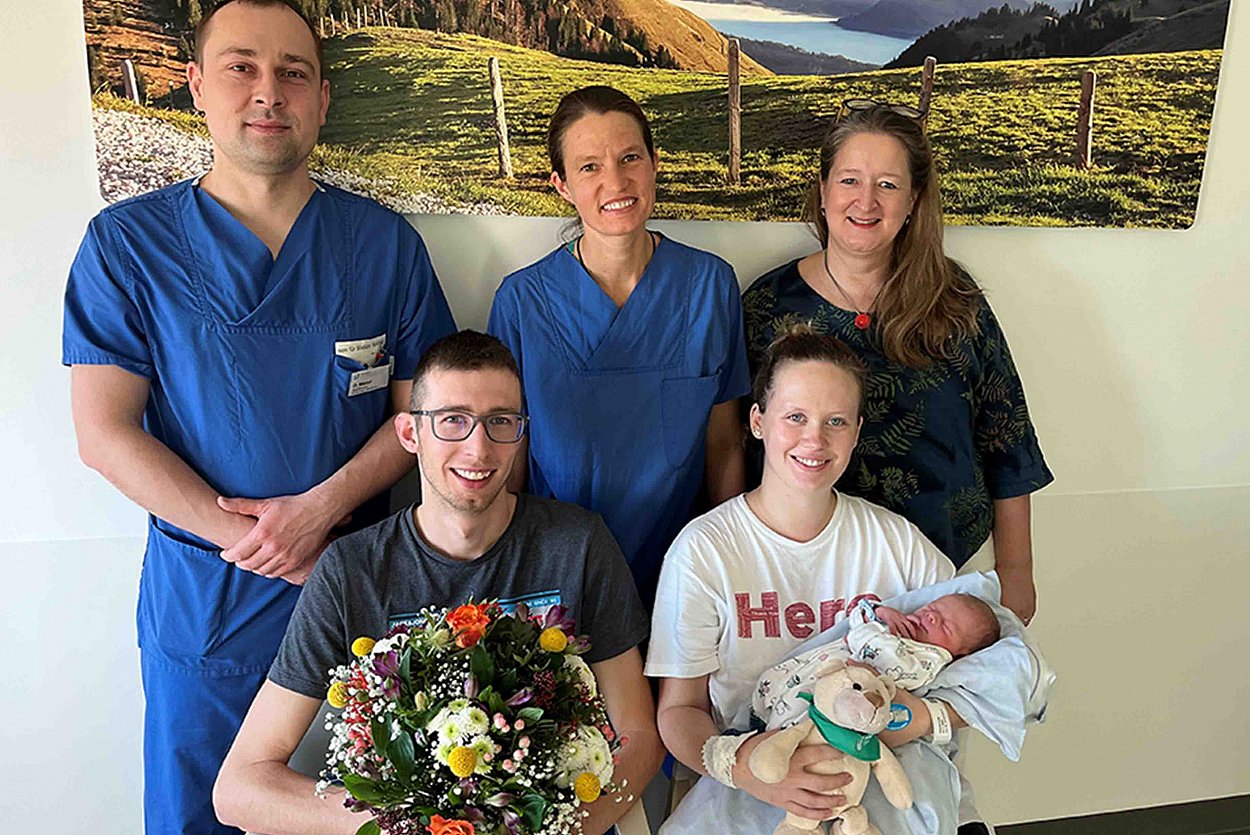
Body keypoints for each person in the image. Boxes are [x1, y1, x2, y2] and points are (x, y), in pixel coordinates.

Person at [62, 2, 455, 832]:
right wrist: (254, 540)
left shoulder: (384, 247)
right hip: (207, 603)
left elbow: (421, 415)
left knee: (367, 813)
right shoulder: (126, 246)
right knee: (201, 812)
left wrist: (314, 515)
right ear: (198, 86)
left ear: (320, 98)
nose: (267, 91)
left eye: (293, 72)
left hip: (352, 595)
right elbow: (104, 432)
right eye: (242, 67)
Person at [213, 331, 664, 835]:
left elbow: (639, 734)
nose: (479, 448)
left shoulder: (577, 545)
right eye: (452, 421)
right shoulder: (351, 571)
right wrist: (404, 824)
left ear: (521, 433)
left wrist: (561, 827)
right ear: (410, 434)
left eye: (500, 422)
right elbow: (238, 789)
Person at [647, 329, 1022, 835]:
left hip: (893, 785)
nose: (814, 440)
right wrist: (750, 768)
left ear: (858, 430)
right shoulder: (706, 550)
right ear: (757, 422)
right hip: (758, 781)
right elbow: (678, 713)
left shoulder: (898, 544)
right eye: (795, 417)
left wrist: (918, 720)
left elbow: (1009, 671)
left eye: (836, 422)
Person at [742, 101, 1053, 627]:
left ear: (913, 200)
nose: (866, 201)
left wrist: (1016, 571)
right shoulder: (768, 307)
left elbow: (1008, 440)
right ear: (822, 192)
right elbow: (733, 441)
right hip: (805, 591)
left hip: (941, 585)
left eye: (887, 185)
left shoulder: (954, 300)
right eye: (849, 180)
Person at [488, 85, 750, 608]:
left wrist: (729, 572)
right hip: (555, 578)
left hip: (681, 577)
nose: (616, 181)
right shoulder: (522, 302)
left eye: (630, 157)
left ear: (654, 164)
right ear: (560, 184)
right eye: (589, 167)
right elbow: (508, 464)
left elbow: (725, 446)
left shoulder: (710, 286)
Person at [754, 594, 1001, 730]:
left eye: (946, 626)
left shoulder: (928, 661)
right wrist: (882, 612)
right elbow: (857, 615)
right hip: (815, 664)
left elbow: (890, 663)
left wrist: (875, 632)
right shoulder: (900, 626)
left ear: (959, 654)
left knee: (802, 709)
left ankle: (772, 739)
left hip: (837, 690)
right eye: (932, 608)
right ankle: (755, 719)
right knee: (773, 679)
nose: (931, 617)